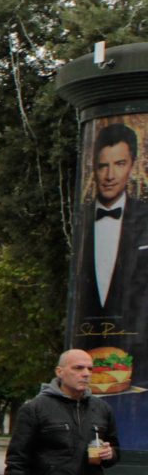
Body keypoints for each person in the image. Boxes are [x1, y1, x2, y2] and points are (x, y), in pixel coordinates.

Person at [75, 123, 148, 368]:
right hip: (87, 358)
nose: (110, 176)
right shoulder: (80, 221)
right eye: (103, 165)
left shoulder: (146, 217)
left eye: (119, 164)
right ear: (93, 167)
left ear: (132, 165)